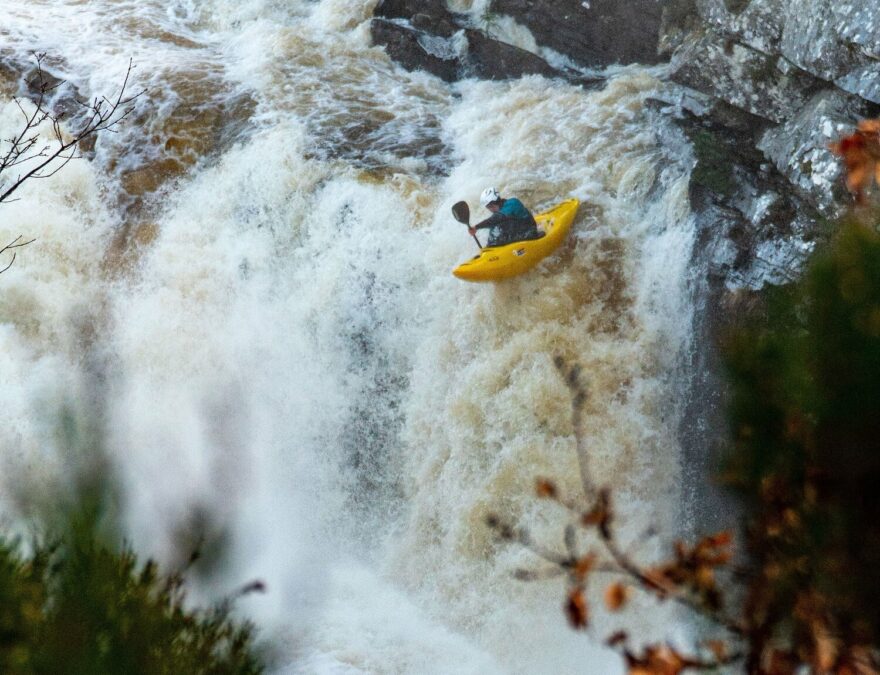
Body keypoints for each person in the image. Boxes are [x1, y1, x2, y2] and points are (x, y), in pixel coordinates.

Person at [468, 187, 542, 247]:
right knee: (495, 228)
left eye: (489, 207)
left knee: (499, 226)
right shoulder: (499, 212)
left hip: (529, 233)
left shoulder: (512, 203)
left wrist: (476, 227)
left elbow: (495, 219)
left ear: (493, 203)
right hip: (518, 234)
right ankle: (491, 250)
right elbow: (494, 221)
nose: (490, 210)